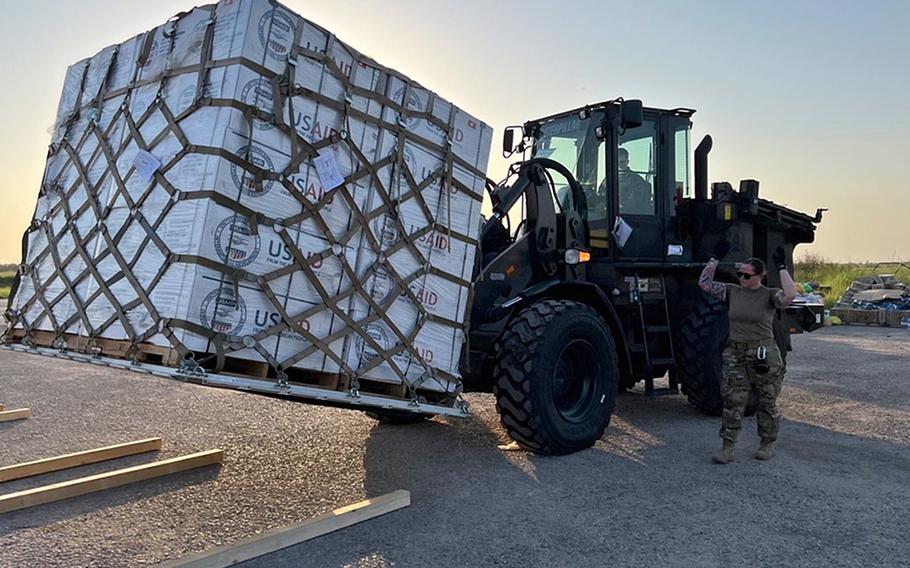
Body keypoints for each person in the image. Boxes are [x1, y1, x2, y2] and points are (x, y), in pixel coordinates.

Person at [698, 245, 798, 463]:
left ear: (760, 276)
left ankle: (767, 443)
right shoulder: (733, 292)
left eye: (747, 275)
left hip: (763, 354)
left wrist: (781, 267)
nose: (742, 277)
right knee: (733, 401)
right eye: (740, 274)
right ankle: (727, 447)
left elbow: (790, 295)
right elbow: (704, 283)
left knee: (766, 402)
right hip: (735, 354)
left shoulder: (769, 295)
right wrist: (715, 258)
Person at [617, 147, 652, 215]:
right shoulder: (608, 179)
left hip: (628, 217)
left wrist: (619, 205)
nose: (619, 165)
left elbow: (635, 201)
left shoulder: (636, 180)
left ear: (627, 162)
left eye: (622, 162)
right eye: (617, 162)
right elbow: (602, 194)